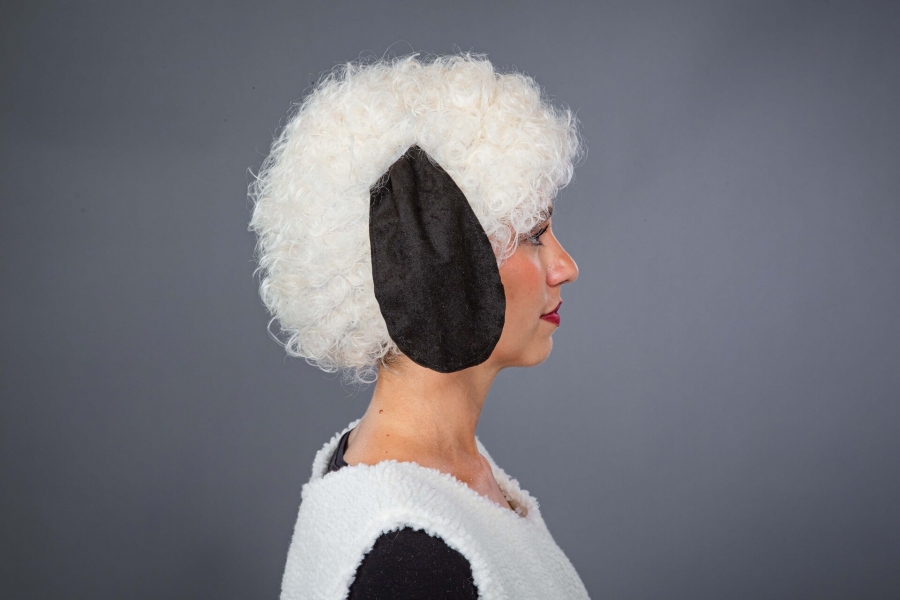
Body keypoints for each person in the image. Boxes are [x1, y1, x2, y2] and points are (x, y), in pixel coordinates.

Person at [250, 52, 589, 599]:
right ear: (437, 264)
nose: (565, 267)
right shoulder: (408, 557)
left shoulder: (447, 479)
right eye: (533, 235)